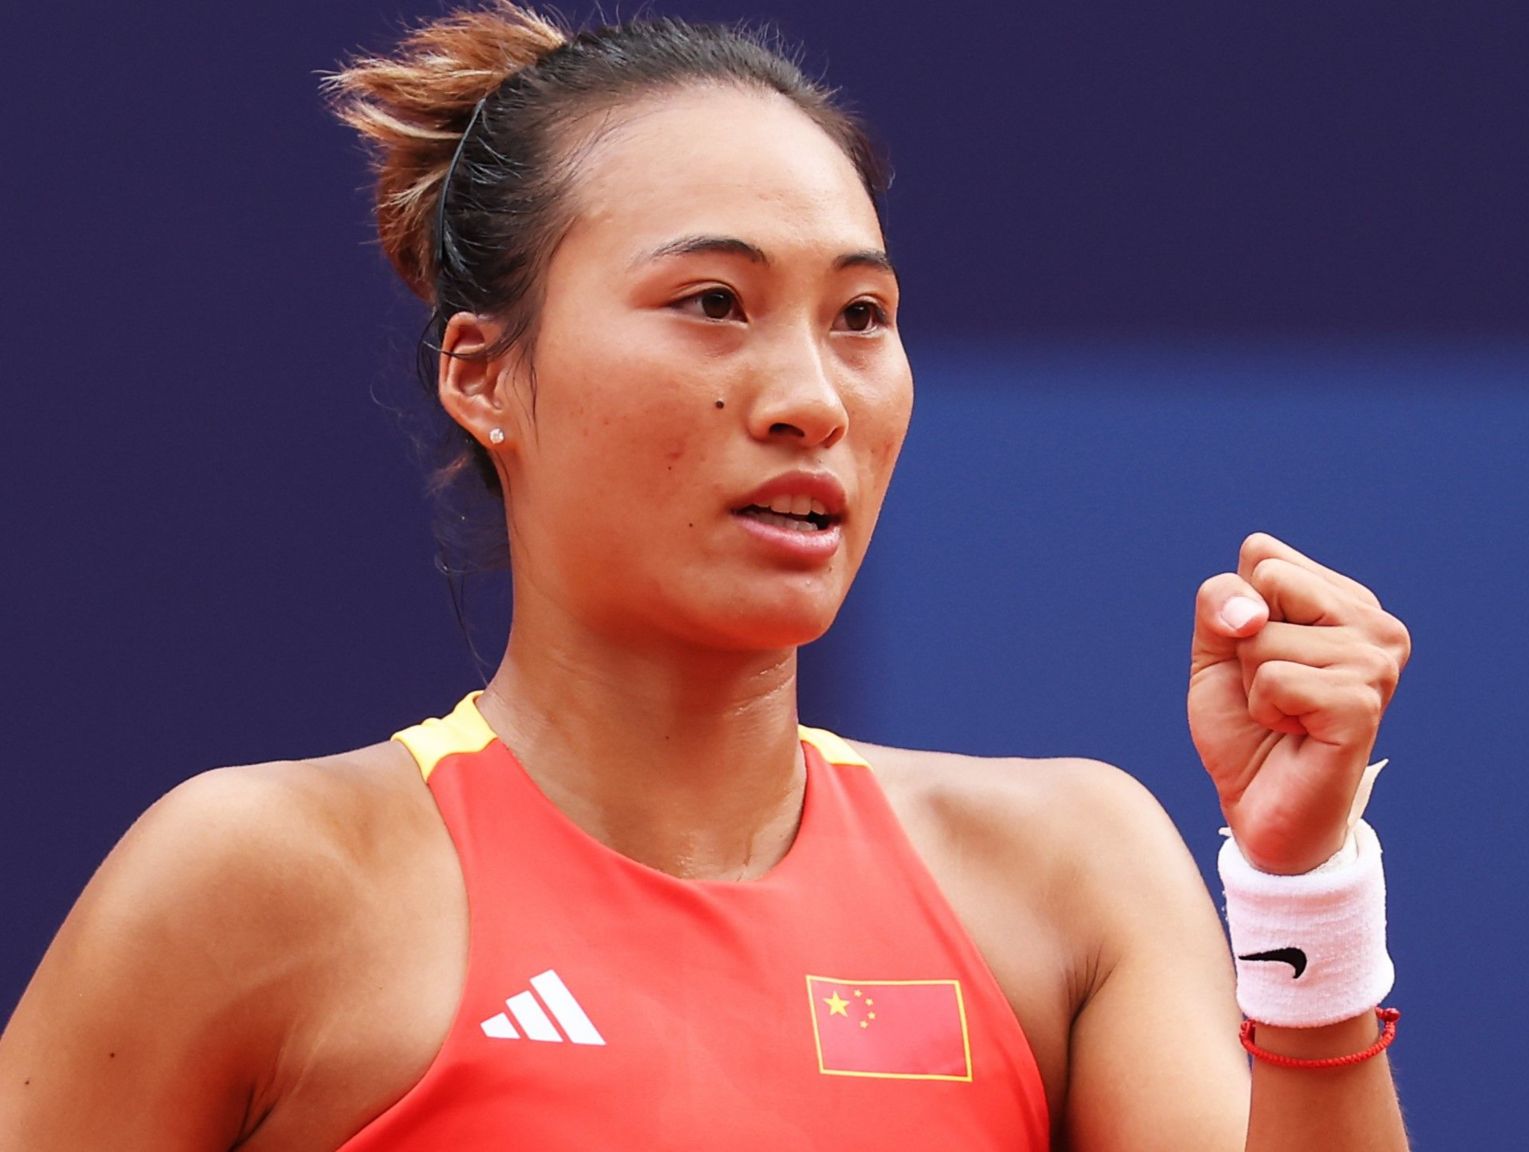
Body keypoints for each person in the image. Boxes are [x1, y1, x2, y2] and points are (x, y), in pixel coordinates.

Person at [0, 4, 1414, 1148]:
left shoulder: (1069, 876)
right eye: (711, 304)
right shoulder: (256, 887)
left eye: (861, 315)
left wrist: (1305, 895)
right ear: (484, 375)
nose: (811, 396)